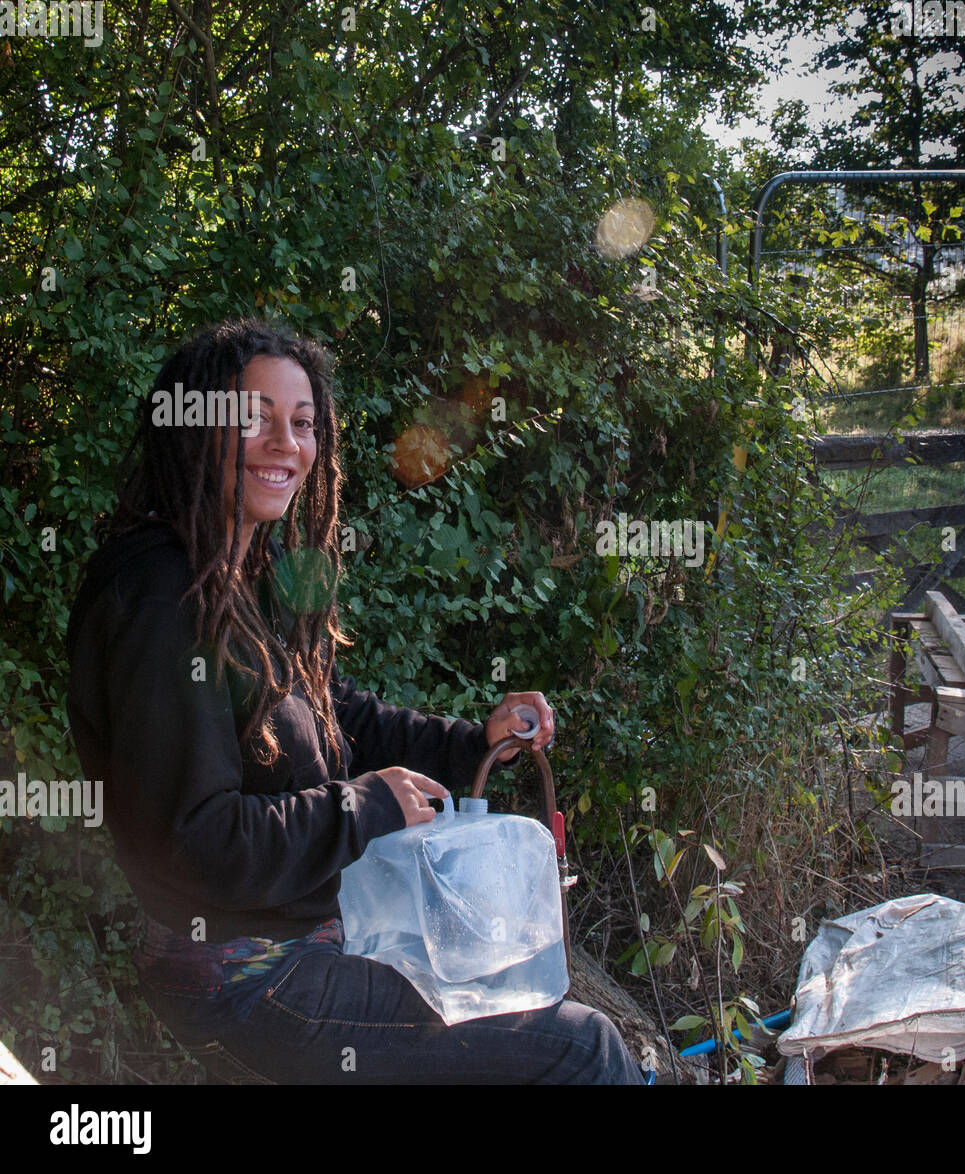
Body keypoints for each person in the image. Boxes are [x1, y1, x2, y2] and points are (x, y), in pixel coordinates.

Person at [65, 317, 644, 1084]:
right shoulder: (162, 598)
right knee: (581, 1048)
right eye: (254, 420)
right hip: (244, 975)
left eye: (302, 424)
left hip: (308, 936)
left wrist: (474, 741)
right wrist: (363, 806)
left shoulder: (244, 571)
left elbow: (338, 715)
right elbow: (199, 842)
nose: (286, 445)